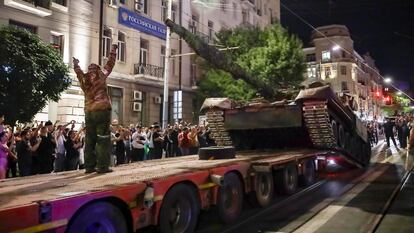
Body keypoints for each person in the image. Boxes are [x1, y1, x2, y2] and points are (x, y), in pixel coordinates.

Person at [73, 44, 118, 174]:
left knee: (90, 138)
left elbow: (78, 72)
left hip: (89, 111)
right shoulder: (101, 75)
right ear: (97, 69)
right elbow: (110, 64)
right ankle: (103, 166)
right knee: (103, 138)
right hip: (102, 110)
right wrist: (113, 50)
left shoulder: (84, 78)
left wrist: (76, 64)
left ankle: (89, 166)